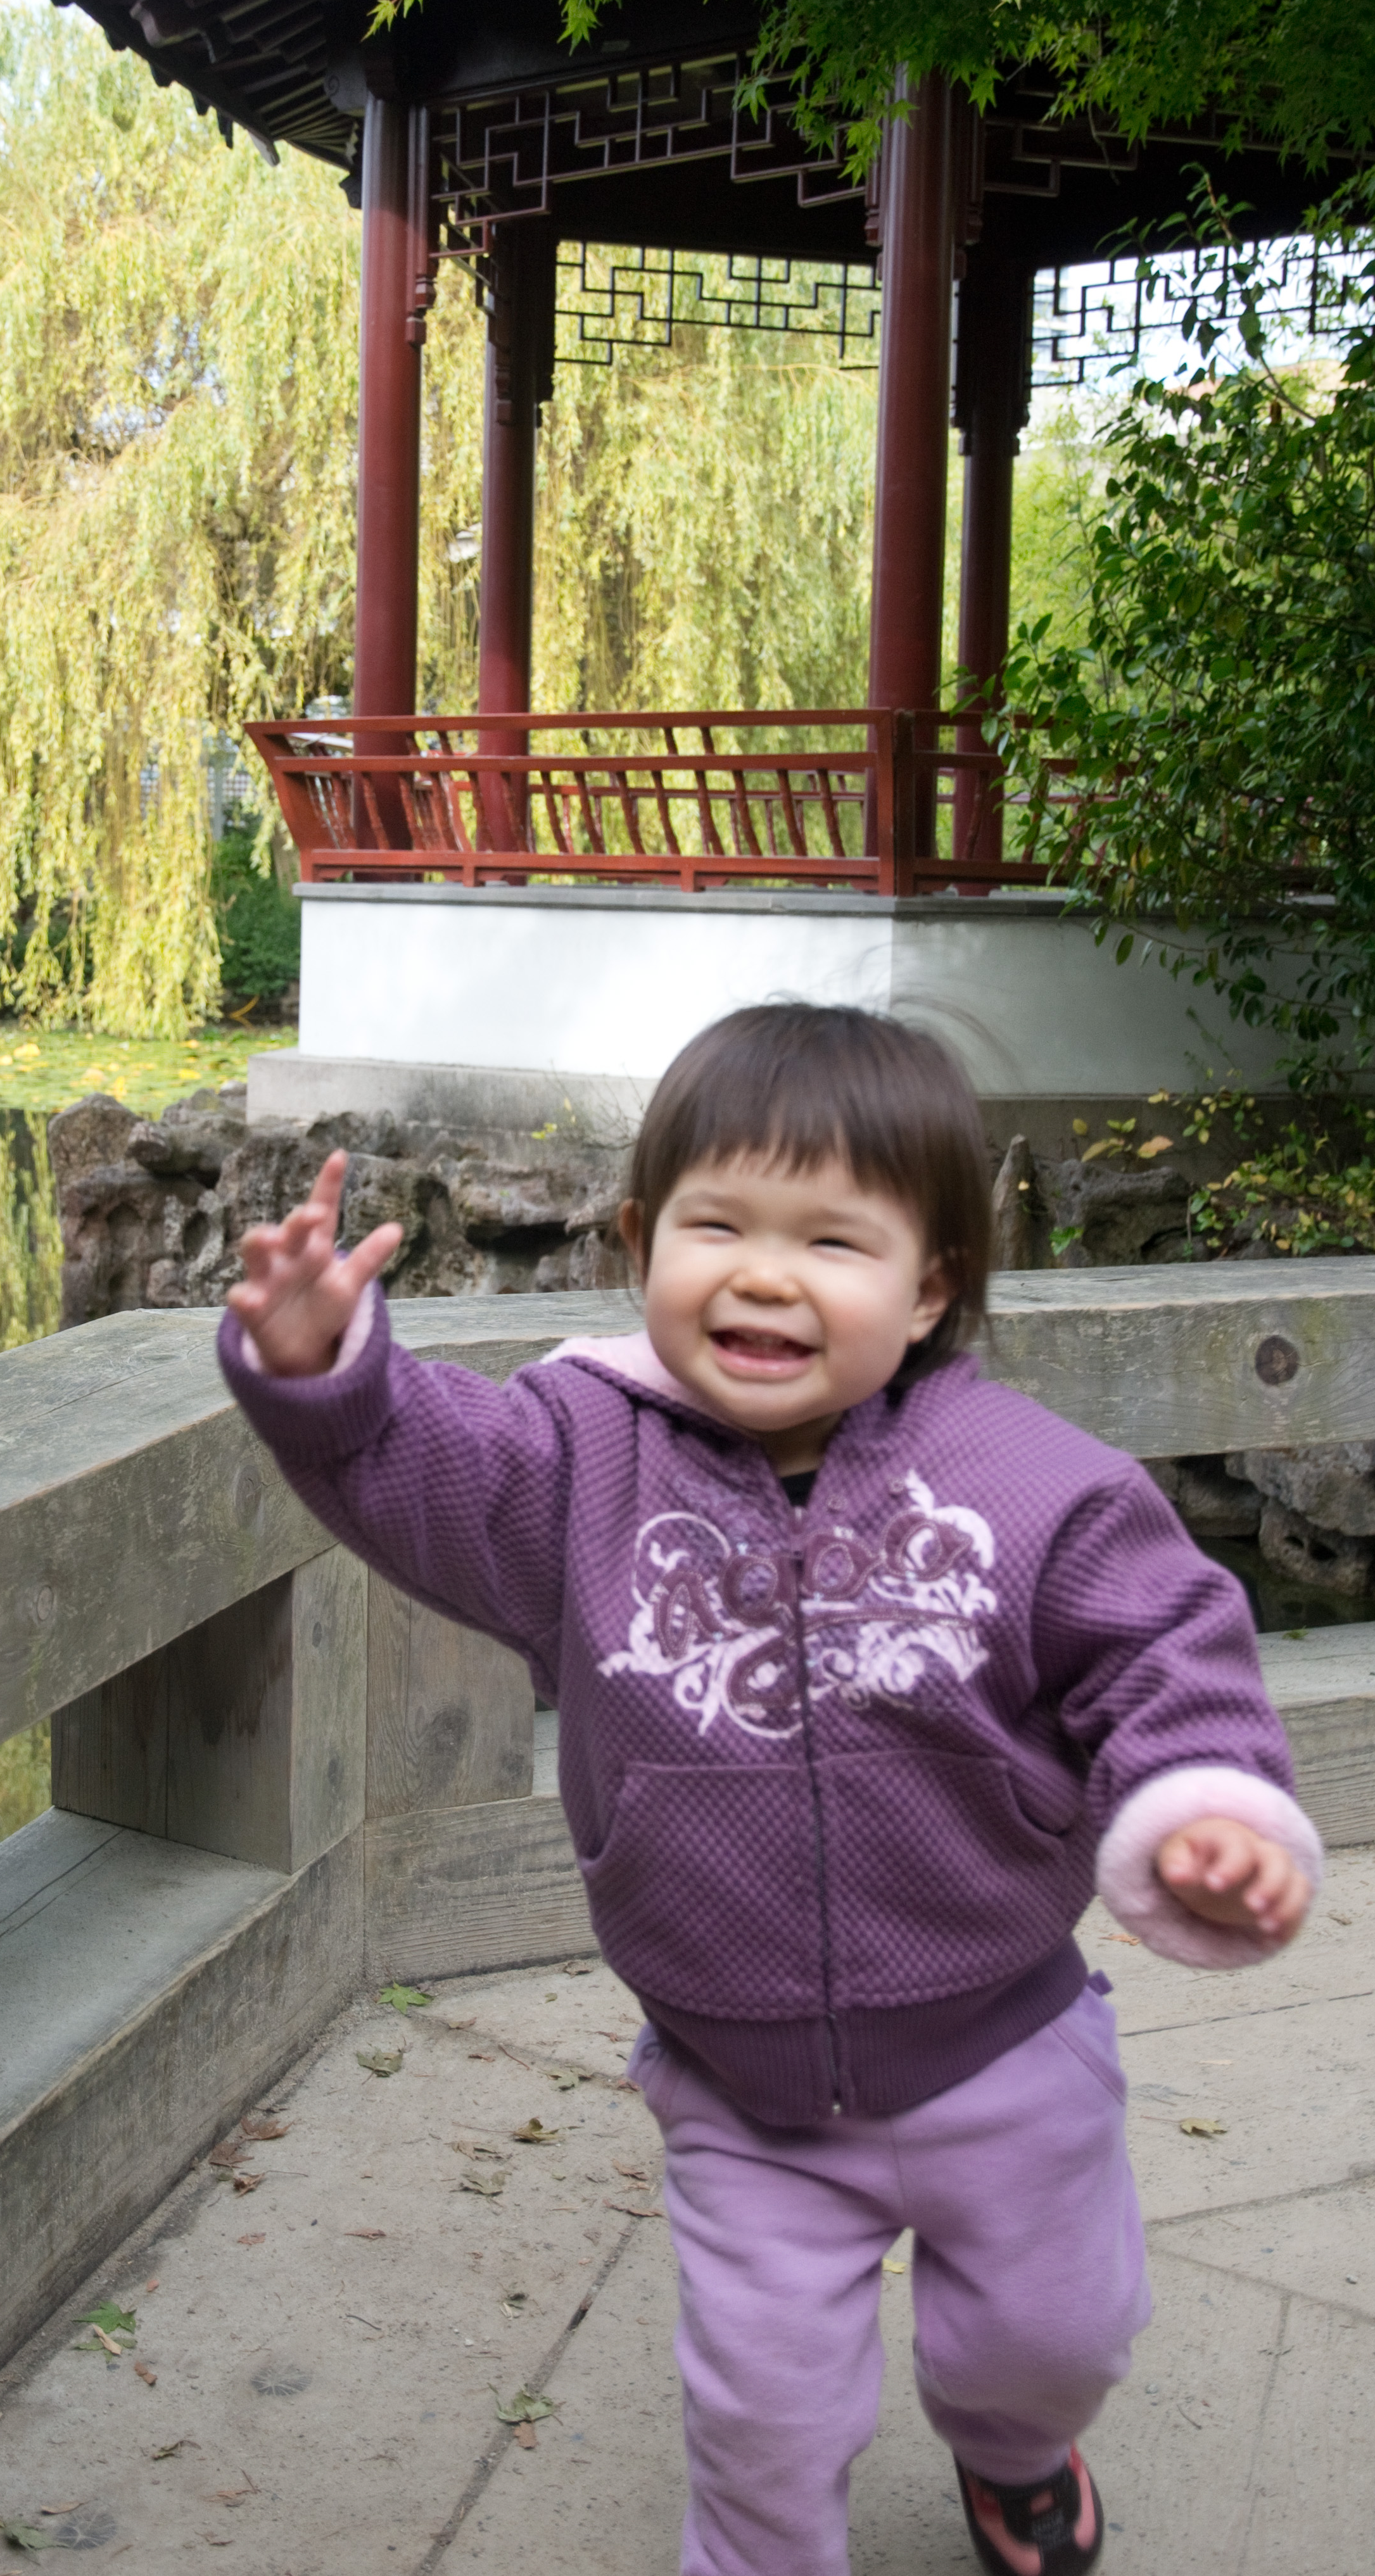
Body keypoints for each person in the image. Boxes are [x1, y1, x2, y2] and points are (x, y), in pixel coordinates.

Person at [217, 1003, 1318, 2576]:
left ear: (929, 1283)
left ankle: (1014, 2452)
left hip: (1006, 2046)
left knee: (1053, 2342)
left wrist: (1203, 1803)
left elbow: (1164, 1648)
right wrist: (318, 1366)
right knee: (763, 2425)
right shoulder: (572, 1466)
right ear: (638, 1241)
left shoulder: (1032, 1486)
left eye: (833, 1242)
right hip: (740, 2086)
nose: (764, 1276)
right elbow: (416, 1464)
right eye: (716, 1225)